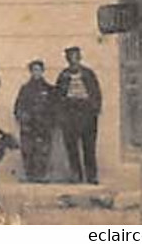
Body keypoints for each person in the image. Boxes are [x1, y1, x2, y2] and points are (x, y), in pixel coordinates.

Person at [55, 46, 102, 185]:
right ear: (67, 60)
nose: (74, 61)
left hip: (86, 113)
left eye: (76, 58)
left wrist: (94, 110)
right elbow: (58, 97)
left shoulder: (88, 74)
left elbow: (96, 94)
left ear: (80, 59)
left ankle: (91, 176)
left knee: (89, 146)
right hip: (70, 113)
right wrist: (61, 116)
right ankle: (76, 175)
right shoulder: (63, 76)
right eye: (71, 59)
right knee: (71, 147)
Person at [14, 60, 56, 182]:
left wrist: (50, 122)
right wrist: (22, 117)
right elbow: (18, 107)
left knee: (43, 151)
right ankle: (30, 176)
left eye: (38, 70)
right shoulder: (25, 89)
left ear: (42, 71)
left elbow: (54, 108)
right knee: (28, 151)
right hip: (28, 126)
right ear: (30, 72)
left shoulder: (49, 89)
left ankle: (41, 176)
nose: (36, 73)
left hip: (43, 125)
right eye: (33, 70)